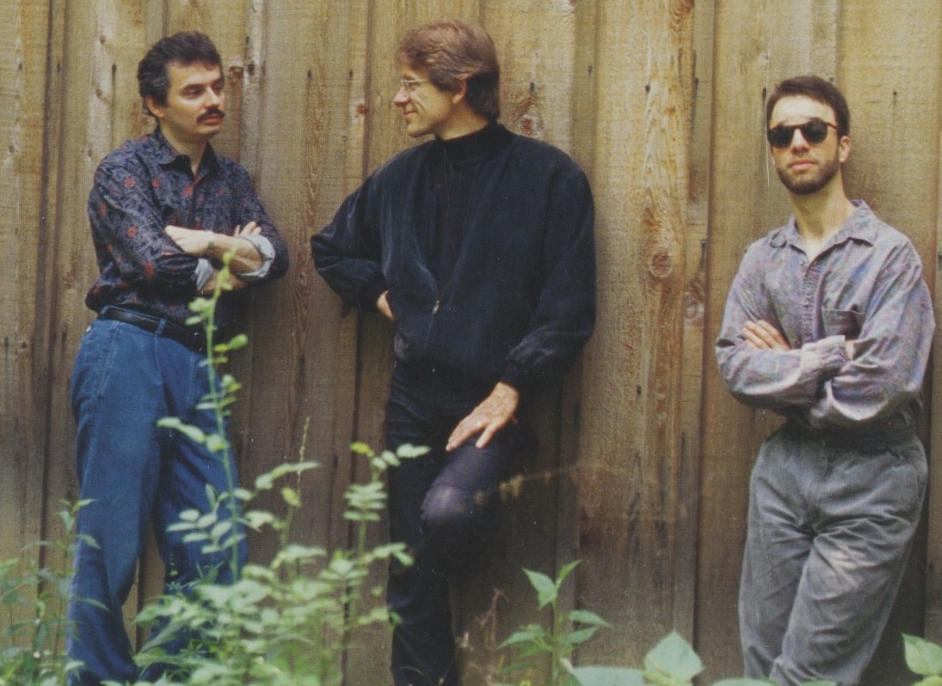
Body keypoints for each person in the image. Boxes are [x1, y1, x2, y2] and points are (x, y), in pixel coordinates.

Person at [311, 18, 595, 686]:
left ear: (459, 88)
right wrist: (390, 301)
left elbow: (568, 306)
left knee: (443, 518)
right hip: (413, 399)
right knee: (407, 576)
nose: (397, 99)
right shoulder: (400, 178)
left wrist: (510, 387)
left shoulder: (547, 178)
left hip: (493, 404)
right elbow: (332, 248)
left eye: (410, 85)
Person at [66, 31, 288, 685]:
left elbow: (275, 256)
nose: (213, 99)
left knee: (216, 540)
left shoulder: (231, 180)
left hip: (196, 362)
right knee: (112, 539)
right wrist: (230, 267)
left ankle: (179, 675)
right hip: (126, 349)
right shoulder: (123, 171)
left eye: (218, 86)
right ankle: (99, 678)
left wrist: (212, 240)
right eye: (195, 91)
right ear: (154, 105)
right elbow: (155, 262)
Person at [715, 75, 935, 686]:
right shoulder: (762, 260)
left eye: (814, 130)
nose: (798, 144)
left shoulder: (889, 257)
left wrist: (786, 363)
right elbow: (735, 365)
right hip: (784, 477)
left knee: (809, 675)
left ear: (843, 146)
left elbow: (883, 385)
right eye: (782, 135)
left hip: (872, 478)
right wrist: (830, 356)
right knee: (761, 669)